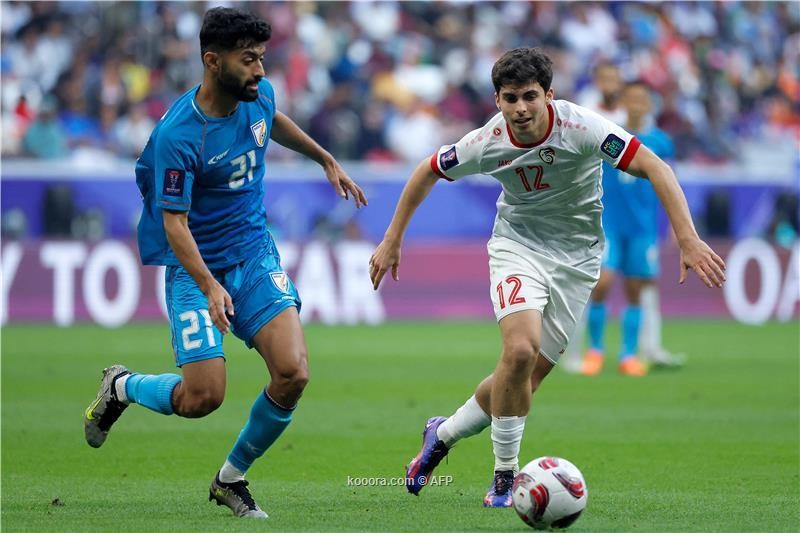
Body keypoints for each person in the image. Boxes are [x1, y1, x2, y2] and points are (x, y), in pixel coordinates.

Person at [369, 47, 724, 507]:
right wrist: (392, 239)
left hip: (578, 261)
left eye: (530, 97)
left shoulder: (583, 127)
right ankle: (505, 477)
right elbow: (427, 171)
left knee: (522, 380)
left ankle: (442, 434)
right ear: (497, 100)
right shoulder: (486, 142)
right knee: (518, 351)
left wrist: (689, 238)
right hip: (517, 248)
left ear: (549, 96)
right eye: (510, 98)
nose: (520, 108)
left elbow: (655, 166)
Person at [83, 7, 366, 519]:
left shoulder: (258, 94)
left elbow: (270, 122)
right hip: (197, 270)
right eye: (248, 60)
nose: (260, 70)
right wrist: (210, 285)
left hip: (254, 254)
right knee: (202, 398)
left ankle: (230, 479)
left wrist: (324, 157)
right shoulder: (179, 136)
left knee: (293, 373)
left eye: (261, 58)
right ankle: (121, 386)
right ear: (213, 62)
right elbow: (174, 223)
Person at [580, 80, 677, 377]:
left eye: (641, 100)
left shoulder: (660, 142)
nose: (636, 105)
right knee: (602, 284)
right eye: (631, 99)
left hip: (642, 229)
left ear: (648, 105)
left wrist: (675, 225)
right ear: (623, 102)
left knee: (635, 291)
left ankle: (628, 355)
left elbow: (669, 183)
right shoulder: (611, 136)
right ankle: (595, 351)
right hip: (608, 225)